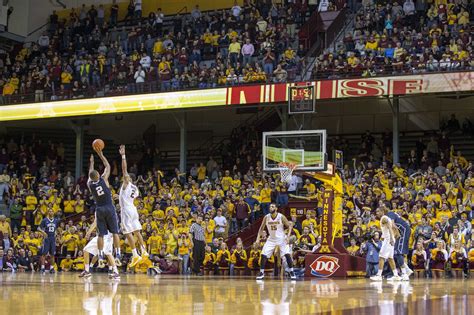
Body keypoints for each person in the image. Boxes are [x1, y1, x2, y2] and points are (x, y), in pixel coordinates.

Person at [87, 149, 121, 275]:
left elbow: (90, 173)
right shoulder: (103, 179)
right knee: (115, 232)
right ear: (98, 175)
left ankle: (100, 256)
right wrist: (100, 154)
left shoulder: (90, 184)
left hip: (99, 208)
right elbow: (107, 166)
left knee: (100, 234)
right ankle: (118, 254)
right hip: (109, 206)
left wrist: (91, 163)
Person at [119, 145, 149, 268]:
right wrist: (119, 197)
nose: (123, 177)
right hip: (133, 209)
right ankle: (144, 251)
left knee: (127, 232)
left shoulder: (127, 182)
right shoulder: (135, 188)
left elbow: (124, 169)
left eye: (126, 177)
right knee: (137, 232)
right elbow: (126, 196)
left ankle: (135, 254)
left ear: (129, 179)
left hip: (126, 210)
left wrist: (123, 156)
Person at [255, 203, 296, 280]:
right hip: (271, 239)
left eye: (273, 206)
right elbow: (261, 228)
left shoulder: (281, 216)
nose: (271, 208)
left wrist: (288, 237)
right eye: (270, 206)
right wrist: (258, 238)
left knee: (287, 254)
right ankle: (261, 273)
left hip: (281, 239)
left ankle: (291, 271)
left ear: (276, 208)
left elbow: (289, 226)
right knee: (263, 254)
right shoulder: (266, 217)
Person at [370, 208, 401, 281]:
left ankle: (378, 275)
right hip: (389, 239)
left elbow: (390, 228)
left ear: (382, 211)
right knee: (390, 258)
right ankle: (396, 275)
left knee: (381, 256)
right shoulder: (388, 218)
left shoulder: (383, 218)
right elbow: (394, 227)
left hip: (388, 240)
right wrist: (396, 235)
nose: (376, 213)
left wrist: (390, 238)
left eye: (378, 211)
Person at [387, 209, 413, 280]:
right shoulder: (389, 215)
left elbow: (393, 226)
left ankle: (405, 273)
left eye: (378, 211)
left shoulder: (389, 213)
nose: (377, 213)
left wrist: (394, 237)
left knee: (398, 252)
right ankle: (406, 270)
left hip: (403, 231)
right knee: (395, 253)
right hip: (402, 231)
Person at [37, 209, 60, 274]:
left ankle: (52, 268)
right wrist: (43, 232)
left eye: (52, 211)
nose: (51, 212)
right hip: (46, 238)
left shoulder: (56, 220)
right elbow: (38, 228)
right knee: (43, 254)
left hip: (53, 239)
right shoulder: (44, 220)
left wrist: (56, 234)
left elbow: (56, 229)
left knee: (52, 254)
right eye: (50, 211)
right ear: (48, 212)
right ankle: (42, 267)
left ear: (53, 213)